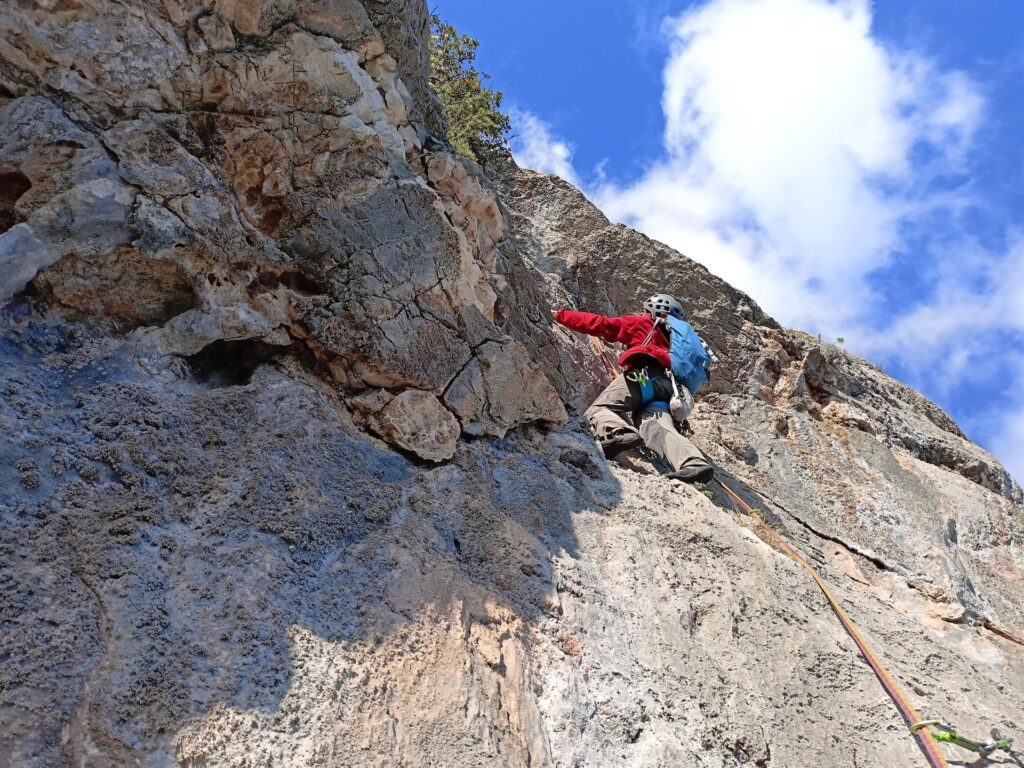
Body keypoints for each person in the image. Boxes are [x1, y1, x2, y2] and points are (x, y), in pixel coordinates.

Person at [552, 294, 715, 484]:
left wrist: (559, 315)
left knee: (600, 409)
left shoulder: (644, 323)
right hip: (669, 390)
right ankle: (693, 463)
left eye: (645, 310)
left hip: (645, 378)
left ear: (652, 310)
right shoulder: (674, 340)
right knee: (656, 425)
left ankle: (617, 432)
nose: (642, 313)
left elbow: (603, 324)